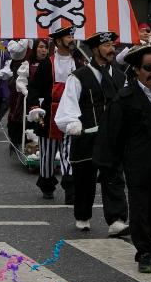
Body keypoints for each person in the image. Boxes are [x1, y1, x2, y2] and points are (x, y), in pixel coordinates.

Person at [97, 43, 151, 273]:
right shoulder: (124, 99)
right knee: (140, 209)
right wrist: (108, 166)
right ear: (136, 70)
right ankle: (144, 251)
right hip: (138, 163)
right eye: (148, 68)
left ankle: (150, 236)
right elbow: (111, 133)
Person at [54, 32, 130, 236]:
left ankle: (117, 219)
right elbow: (68, 105)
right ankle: (82, 215)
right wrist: (72, 123)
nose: (112, 49)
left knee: (114, 177)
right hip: (86, 136)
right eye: (106, 46)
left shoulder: (121, 76)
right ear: (96, 49)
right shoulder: (78, 77)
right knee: (84, 179)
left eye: (112, 45)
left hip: (112, 137)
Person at [28, 27, 83, 201]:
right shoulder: (47, 64)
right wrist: (35, 106)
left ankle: (71, 189)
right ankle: (46, 185)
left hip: (72, 112)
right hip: (49, 112)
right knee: (47, 153)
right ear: (58, 41)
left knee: (69, 152)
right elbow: (34, 87)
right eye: (68, 36)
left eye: (72, 36)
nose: (71, 39)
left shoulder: (79, 62)